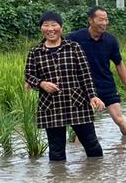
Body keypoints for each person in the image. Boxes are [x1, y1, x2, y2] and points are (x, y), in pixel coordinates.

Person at [24, 11, 105, 161]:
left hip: (77, 102)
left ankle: (97, 178)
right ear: (41, 29)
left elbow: (85, 75)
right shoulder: (35, 52)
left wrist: (93, 96)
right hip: (50, 105)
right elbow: (29, 76)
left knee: (91, 144)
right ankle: (59, 182)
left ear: (61, 27)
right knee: (56, 150)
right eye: (46, 25)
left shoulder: (74, 47)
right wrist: (42, 84)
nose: (50, 29)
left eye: (54, 25)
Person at [66, 6, 126, 136]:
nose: (104, 23)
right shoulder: (74, 38)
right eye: (101, 20)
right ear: (90, 20)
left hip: (106, 85)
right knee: (84, 125)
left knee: (119, 119)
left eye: (106, 20)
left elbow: (119, 64)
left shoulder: (110, 40)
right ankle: (81, 155)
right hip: (83, 88)